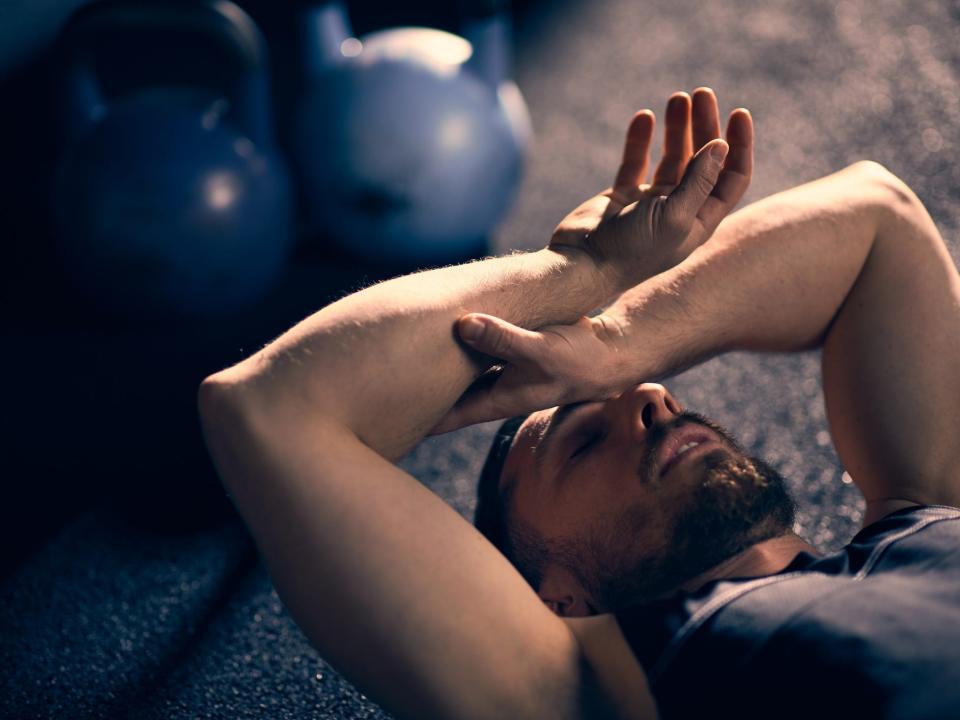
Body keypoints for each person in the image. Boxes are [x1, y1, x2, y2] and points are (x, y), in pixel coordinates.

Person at [198, 87, 960, 719]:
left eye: (631, 395)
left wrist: (617, 341)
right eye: (584, 441)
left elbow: (876, 217)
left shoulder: (923, 507)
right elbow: (273, 409)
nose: (654, 400)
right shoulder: (593, 684)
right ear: (555, 597)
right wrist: (581, 271)